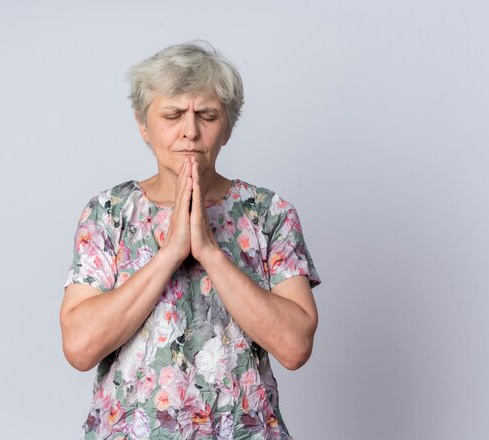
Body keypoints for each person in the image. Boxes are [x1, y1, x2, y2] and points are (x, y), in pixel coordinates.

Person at [60, 42, 321, 439]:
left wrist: (210, 252)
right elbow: (79, 348)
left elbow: (295, 346)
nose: (190, 131)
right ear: (143, 125)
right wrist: (169, 254)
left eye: (208, 115)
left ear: (228, 127)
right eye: (172, 114)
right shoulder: (108, 212)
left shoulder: (268, 212)